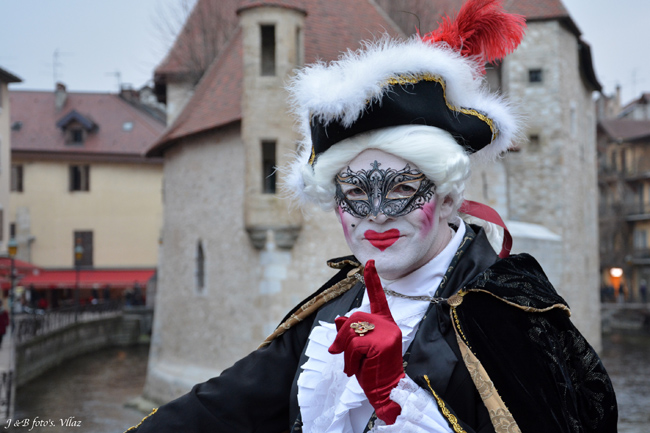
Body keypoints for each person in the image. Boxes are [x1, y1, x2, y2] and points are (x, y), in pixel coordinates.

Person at [126, 1, 617, 432]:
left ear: (447, 198)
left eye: (403, 188)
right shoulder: (335, 306)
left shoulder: (511, 311)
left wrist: (397, 400)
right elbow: (223, 407)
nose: (377, 216)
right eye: (355, 193)